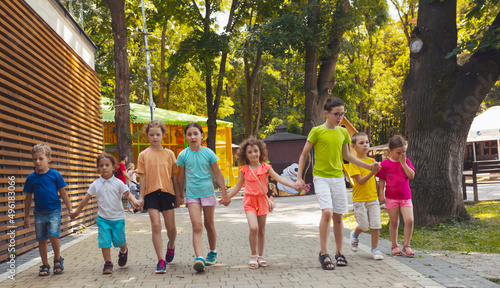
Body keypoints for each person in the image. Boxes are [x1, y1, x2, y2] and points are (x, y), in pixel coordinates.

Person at [296, 97, 380, 270]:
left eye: (342, 113)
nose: (339, 117)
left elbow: (348, 156)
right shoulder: (317, 131)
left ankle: (339, 252)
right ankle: (323, 252)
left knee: (338, 216)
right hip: (321, 177)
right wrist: (299, 177)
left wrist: (369, 166)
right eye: (336, 114)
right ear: (326, 113)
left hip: (338, 178)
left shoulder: (342, 133)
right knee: (327, 212)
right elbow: (304, 154)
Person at [226, 137, 301, 269]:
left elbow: (279, 178)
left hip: (262, 200)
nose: (253, 154)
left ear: (260, 152)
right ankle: (253, 255)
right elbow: (237, 187)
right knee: (253, 228)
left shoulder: (266, 167)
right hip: (249, 201)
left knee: (261, 230)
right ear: (245, 154)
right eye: (250, 152)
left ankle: (260, 256)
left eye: (256, 151)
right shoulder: (245, 169)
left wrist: (294, 185)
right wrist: (227, 197)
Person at [70, 154, 140, 274]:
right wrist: (76, 212)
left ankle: (123, 250)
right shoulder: (96, 184)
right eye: (101, 166)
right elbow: (85, 199)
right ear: (98, 168)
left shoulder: (118, 183)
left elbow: (128, 194)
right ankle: (108, 263)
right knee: (104, 241)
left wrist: (135, 201)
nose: (104, 168)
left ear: (113, 167)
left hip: (118, 218)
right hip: (103, 219)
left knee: (120, 241)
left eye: (107, 165)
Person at [176, 122, 229, 272]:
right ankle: (199, 258)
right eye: (189, 134)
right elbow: (180, 177)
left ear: (201, 136)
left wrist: (224, 192)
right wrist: (180, 195)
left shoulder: (209, 153)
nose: (193, 137)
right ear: (186, 137)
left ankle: (212, 251)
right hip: (192, 195)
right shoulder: (183, 155)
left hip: (208, 193)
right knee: (196, 225)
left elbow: (217, 173)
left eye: (195, 133)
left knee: (209, 224)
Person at [136, 120, 181, 274]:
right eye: (151, 134)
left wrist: (179, 196)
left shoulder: (169, 154)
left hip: (168, 193)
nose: (155, 137)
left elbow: (174, 177)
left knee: (171, 228)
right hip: (151, 194)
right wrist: (141, 198)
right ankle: (160, 260)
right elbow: (143, 178)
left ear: (163, 135)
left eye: (158, 134)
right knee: (155, 226)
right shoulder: (143, 155)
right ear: (147, 136)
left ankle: (171, 245)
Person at [23, 143, 73, 276]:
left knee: (53, 235)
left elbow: (63, 193)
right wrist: (26, 217)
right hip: (39, 213)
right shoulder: (31, 178)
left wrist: (70, 209)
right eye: (34, 159)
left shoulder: (55, 175)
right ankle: (45, 264)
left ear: (49, 159)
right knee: (42, 239)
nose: (37, 162)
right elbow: (28, 198)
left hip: (54, 211)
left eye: (41, 158)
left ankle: (57, 258)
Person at [376, 135, 416, 257]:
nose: (401, 155)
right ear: (390, 151)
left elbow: (411, 175)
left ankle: (407, 245)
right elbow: (381, 180)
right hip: (391, 197)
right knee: (394, 222)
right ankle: (394, 246)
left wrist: (403, 164)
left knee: (409, 220)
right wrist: (381, 196)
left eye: (403, 152)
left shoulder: (406, 161)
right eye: (398, 153)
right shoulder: (385, 164)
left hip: (405, 197)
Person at [348, 132, 384, 260]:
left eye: (367, 142)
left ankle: (375, 249)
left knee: (376, 224)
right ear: (353, 146)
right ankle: (354, 235)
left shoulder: (372, 161)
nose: (365, 145)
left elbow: (375, 180)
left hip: (372, 198)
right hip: (359, 199)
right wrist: (372, 171)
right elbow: (360, 181)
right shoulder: (354, 163)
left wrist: (380, 195)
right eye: (361, 143)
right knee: (363, 226)